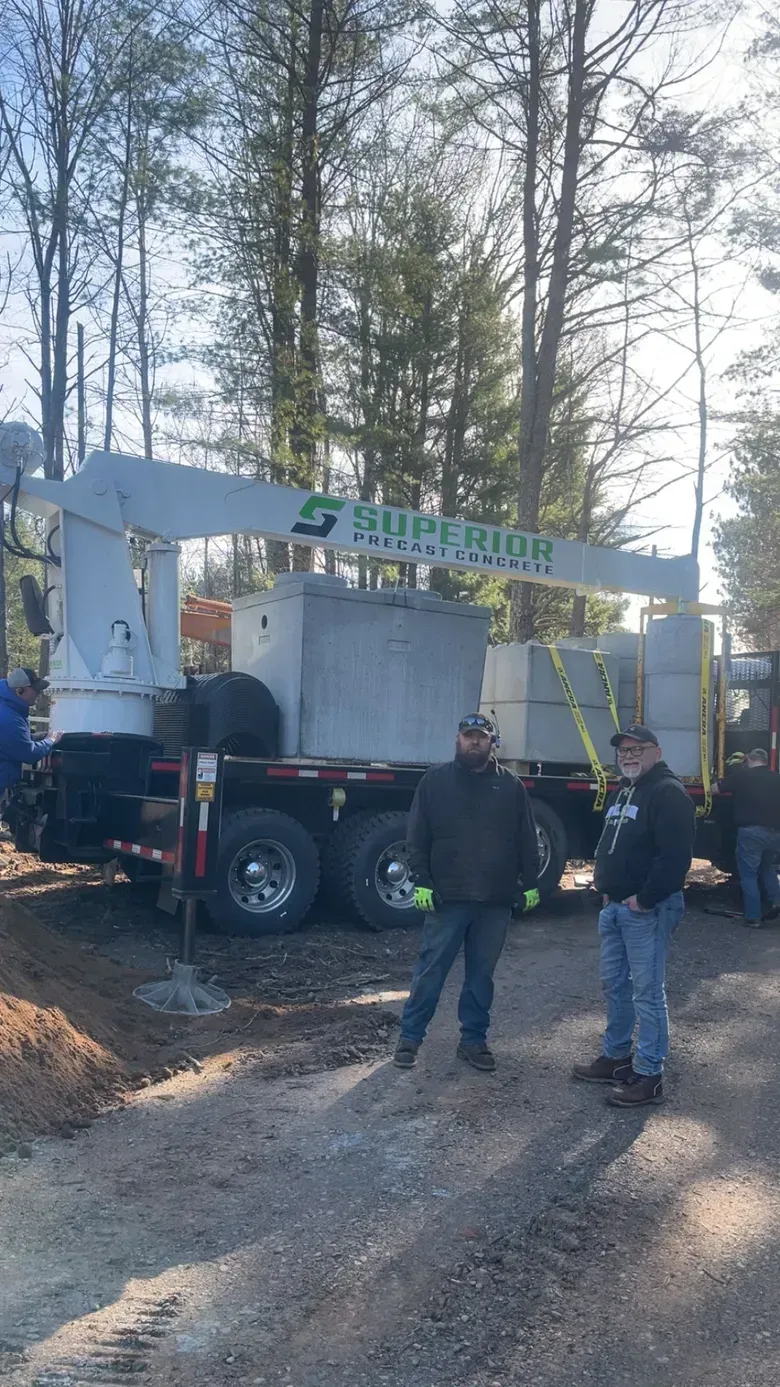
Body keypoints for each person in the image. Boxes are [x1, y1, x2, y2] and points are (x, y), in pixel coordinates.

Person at [394, 712, 540, 1074]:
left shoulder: (510, 786)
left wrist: (532, 883)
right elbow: (417, 836)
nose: (474, 741)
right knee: (431, 971)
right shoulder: (435, 782)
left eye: (481, 736)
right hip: (447, 898)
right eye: (468, 736)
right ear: (457, 740)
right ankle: (410, 1039)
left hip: (495, 901)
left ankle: (473, 1041)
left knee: (481, 976)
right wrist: (422, 879)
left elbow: (526, 837)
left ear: (493, 742)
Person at [573, 724, 695, 1108]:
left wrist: (644, 899)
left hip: (647, 910)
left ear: (655, 753)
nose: (628, 756)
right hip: (615, 907)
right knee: (615, 986)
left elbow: (674, 859)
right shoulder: (625, 790)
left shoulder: (668, 793)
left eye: (636, 749)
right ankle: (616, 1058)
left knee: (646, 993)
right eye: (622, 751)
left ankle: (649, 1075)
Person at [718, 747, 780, 926]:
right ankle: (776, 900)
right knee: (766, 868)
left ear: (749, 760)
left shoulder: (742, 776)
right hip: (775, 833)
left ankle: (753, 917)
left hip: (751, 833)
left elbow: (715, 789)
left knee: (749, 875)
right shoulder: (777, 778)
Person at [0, 668, 57, 808]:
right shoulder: (9, 717)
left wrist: (31, 737)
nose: (38, 694)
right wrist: (51, 740)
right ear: (20, 691)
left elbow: (8, 740)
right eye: (35, 690)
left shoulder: (8, 707)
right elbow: (29, 753)